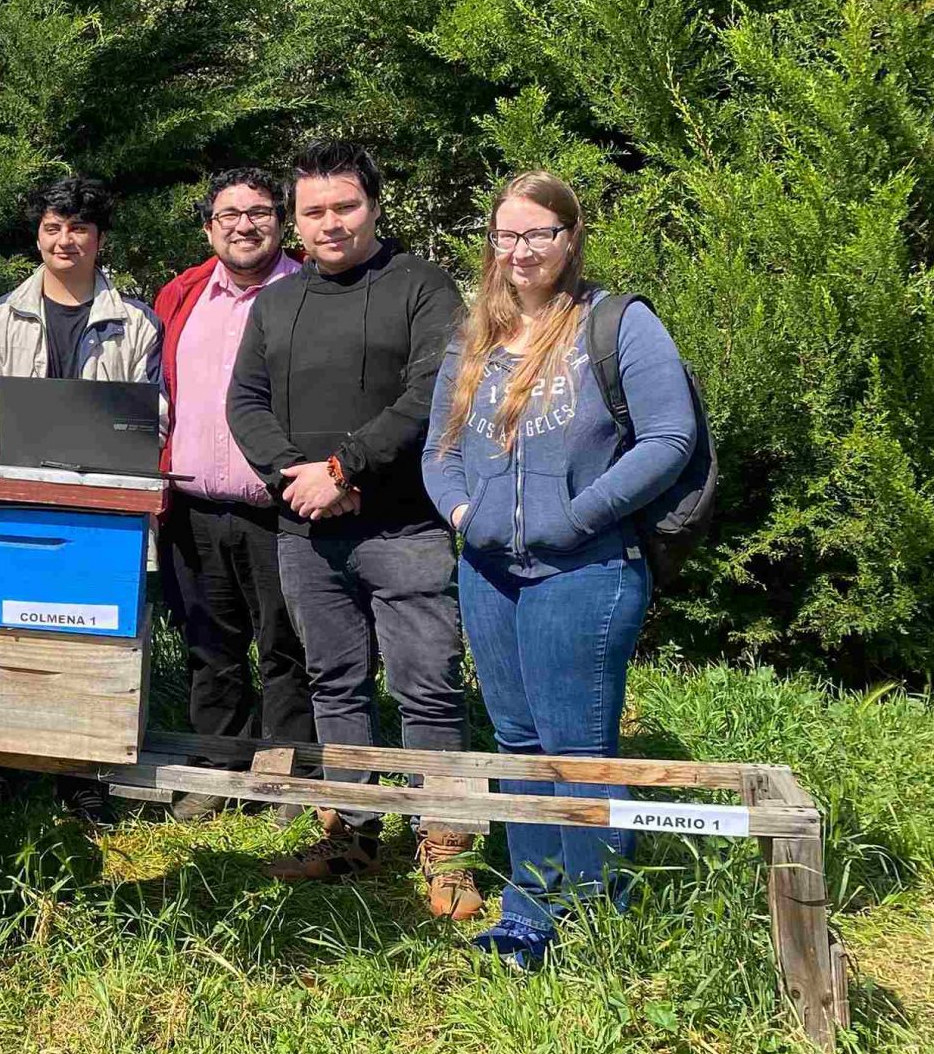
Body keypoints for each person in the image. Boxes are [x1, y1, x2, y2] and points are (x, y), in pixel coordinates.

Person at [425, 172, 699, 968]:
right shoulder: (472, 334)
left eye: (537, 234)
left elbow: (668, 438)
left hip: (584, 571)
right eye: (506, 235)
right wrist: (464, 516)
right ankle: (531, 910)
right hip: (489, 573)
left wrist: (574, 517)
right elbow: (439, 450)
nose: (519, 251)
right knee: (515, 742)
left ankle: (604, 920)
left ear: (570, 238)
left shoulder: (617, 325)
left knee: (575, 746)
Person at [227, 139, 468, 896]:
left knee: (427, 684)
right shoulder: (279, 300)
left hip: (404, 527)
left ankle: (446, 843)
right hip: (308, 532)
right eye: (314, 211)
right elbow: (245, 402)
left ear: (373, 205)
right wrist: (297, 481)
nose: (329, 224)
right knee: (336, 683)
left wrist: (345, 469)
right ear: (296, 222)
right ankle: (351, 834)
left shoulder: (422, 287)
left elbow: (434, 391)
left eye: (345, 206)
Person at [153, 170, 314, 812]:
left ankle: (285, 776)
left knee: (287, 645)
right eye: (229, 214)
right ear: (208, 227)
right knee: (208, 645)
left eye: (259, 212)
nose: (244, 225)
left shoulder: (309, 291)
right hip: (193, 508)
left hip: (281, 509)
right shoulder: (181, 295)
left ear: (281, 221)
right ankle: (217, 773)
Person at [0, 177, 162, 457]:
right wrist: (15, 455)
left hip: (105, 487)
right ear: (38, 237)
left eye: (78, 229)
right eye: (52, 228)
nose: (63, 241)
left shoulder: (139, 325)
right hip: (14, 483)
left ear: (101, 238)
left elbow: (151, 421)